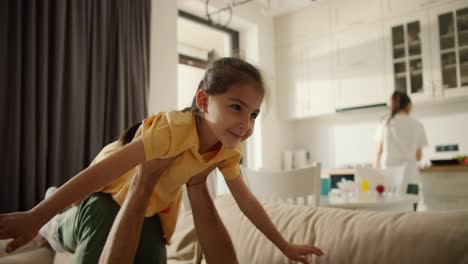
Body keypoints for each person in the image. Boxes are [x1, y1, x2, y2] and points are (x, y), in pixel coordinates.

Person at [0, 57, 324, 263]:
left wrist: (285, 246)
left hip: (150, 212)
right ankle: (54, 223)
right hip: (105, 197)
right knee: (96, 216)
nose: (246, 123)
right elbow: (99, 173)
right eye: (236, 107)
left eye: (254, 114)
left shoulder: (228, 149)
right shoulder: (171, 130)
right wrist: (36, 215)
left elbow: (248, 202)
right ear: (203, 101)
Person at [374, 91, 428, 206]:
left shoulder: (385, 123)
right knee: (410, 215)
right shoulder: (417, 124)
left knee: (391, 215)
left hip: (389, 178)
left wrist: (374, 173)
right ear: (408, 105)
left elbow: (378, 152)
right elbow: (418, 157)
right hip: (410, 177)